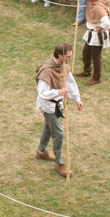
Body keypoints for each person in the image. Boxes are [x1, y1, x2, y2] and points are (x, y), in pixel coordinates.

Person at [34, 43, 83, 178]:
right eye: (67, 57)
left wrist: (77, 99)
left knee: (49, 128)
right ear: (59, 55)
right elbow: (42, 92)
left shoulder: (64, 66)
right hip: (48, 106)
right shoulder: (47, 70)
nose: (69, 59)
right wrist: (58, 92)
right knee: (59, 133)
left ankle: (41, 151)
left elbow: (71, 83)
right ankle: (59, 163)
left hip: (57, 104)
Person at [74, 0, 110, 84]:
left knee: (96, 57)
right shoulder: (92, 0)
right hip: (91, 32)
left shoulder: (99, 8)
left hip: (97, 35)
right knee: (86, 53)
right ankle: (87, 71)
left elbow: (107, 22)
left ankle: (96, 78)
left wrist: (101, 27)